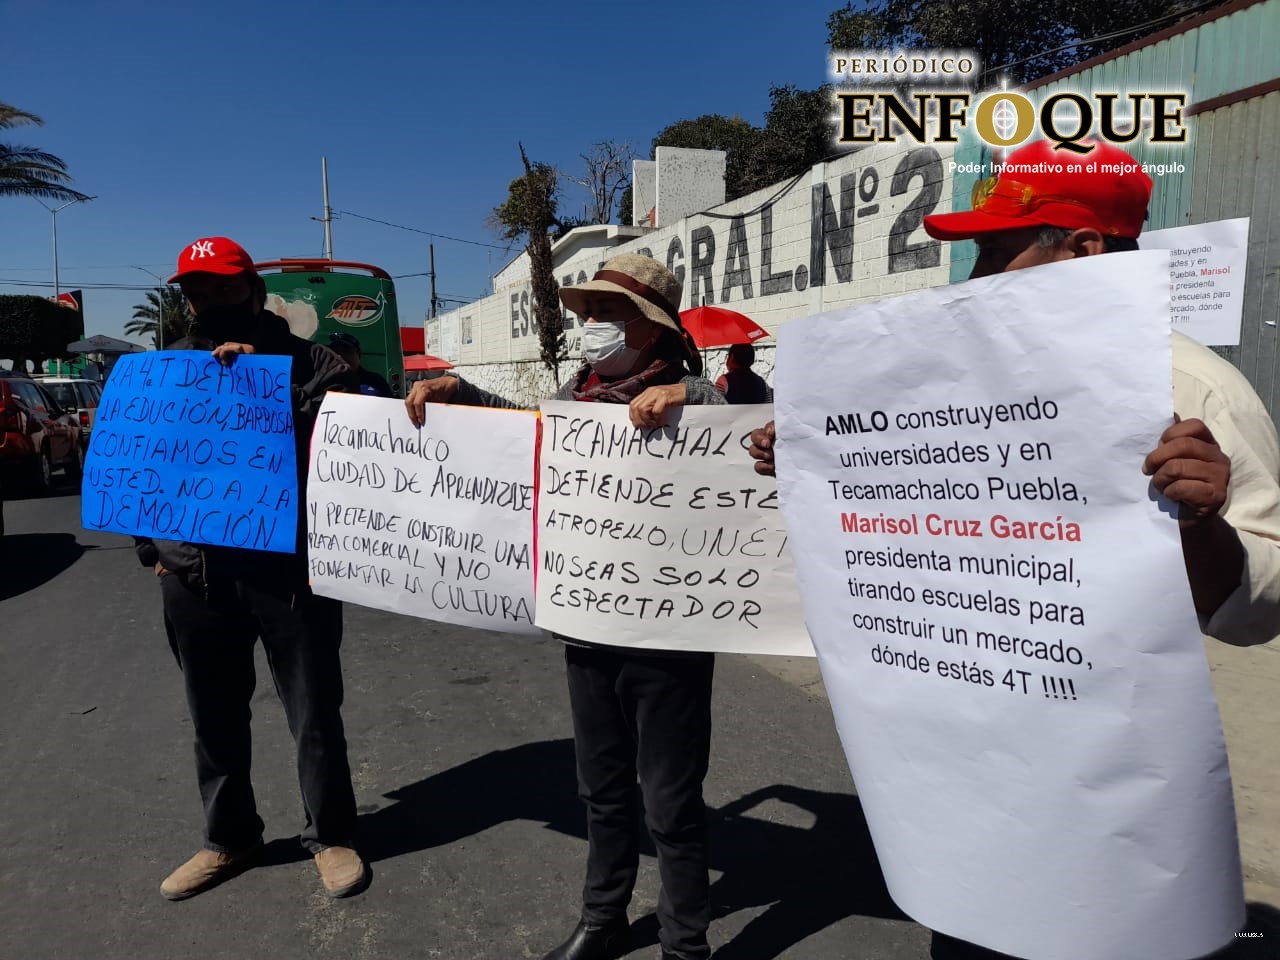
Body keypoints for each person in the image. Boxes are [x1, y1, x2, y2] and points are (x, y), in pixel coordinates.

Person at [749, 139, 1280, 958]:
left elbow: (1261, 610)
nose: (974, 280)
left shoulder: (1191, 385)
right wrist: (814, 464)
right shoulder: (955, 384)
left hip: (1107, 799)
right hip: (964, 784)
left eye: (997, 252)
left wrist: (1200, 524)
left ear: (1085, 249)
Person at [405, 254, 725, 960]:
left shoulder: (701, 398)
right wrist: (465, 395)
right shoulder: (575, 396)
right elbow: (528, 435)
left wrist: (687, 400)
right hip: (586, 626)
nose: (590, 327)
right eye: (587, 314)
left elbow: (760, 441)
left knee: (671, 804)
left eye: (608, 314)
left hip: (668, 639)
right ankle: (603, 920)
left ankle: (685, 944)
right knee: (601, 790)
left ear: (652, 328)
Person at [135, 236, 369, 902]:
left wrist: (252, 388)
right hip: (194, 577)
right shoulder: (168, 370)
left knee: (314, 711)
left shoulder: (315, 362)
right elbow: (140, 461)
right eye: (197, 292)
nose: (209, 302)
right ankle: (230, 839)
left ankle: (332, 834)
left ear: (254, 291)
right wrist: (152, 551)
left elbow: (339, 460)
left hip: (289, 575)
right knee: (212, 715)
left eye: (224, 289)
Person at [328, 331, 394, 397]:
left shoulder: (376, 381)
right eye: (335, 352)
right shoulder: (324, 381)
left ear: (358, 354)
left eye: (346, 351)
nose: (340, 356)